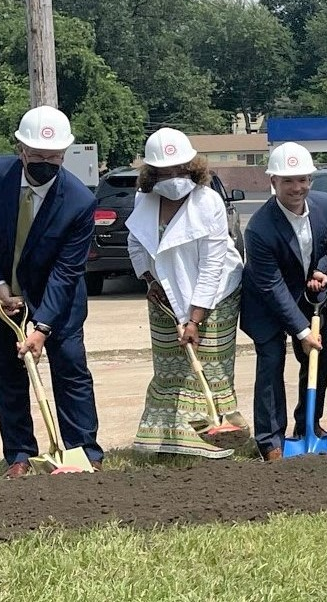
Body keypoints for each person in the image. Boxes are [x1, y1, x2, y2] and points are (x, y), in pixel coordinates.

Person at [0, 105, 105, 478]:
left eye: (53, 157)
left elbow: (67, 270)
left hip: (57, 300)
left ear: (64, 154)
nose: (45, 163)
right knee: (5, 371)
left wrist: (41, 329)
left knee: (70, 367)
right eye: (37, 155)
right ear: (21, 148)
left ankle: (84, 451)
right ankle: (20, 454)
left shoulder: (79, 202)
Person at [125, 128, 245, 458]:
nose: (173, 177)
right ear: (152, 173)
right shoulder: (143, 200)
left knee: (207, 365)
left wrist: (195, 318)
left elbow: (212, 265)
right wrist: (149, 280)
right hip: (163, 292)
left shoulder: (209, 203)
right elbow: (135, 242)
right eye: (164, 171)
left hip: (215, 295)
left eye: (179, 169)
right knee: (170, 367)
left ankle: (213, 443)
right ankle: (169, 442)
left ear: (192, 167)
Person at [240, 142, 327, 462]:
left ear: (310, 179)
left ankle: (308, 426)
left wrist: (321, 268)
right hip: (266, 302)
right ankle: (270, 441)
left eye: (302, 179)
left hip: (308, 297)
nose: (297, 188)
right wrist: (301, 332)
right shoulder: (259, 228)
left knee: (319, 359)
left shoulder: (325, 205)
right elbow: (271, 286)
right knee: (271, 363)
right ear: (273, 182)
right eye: (287, 181)